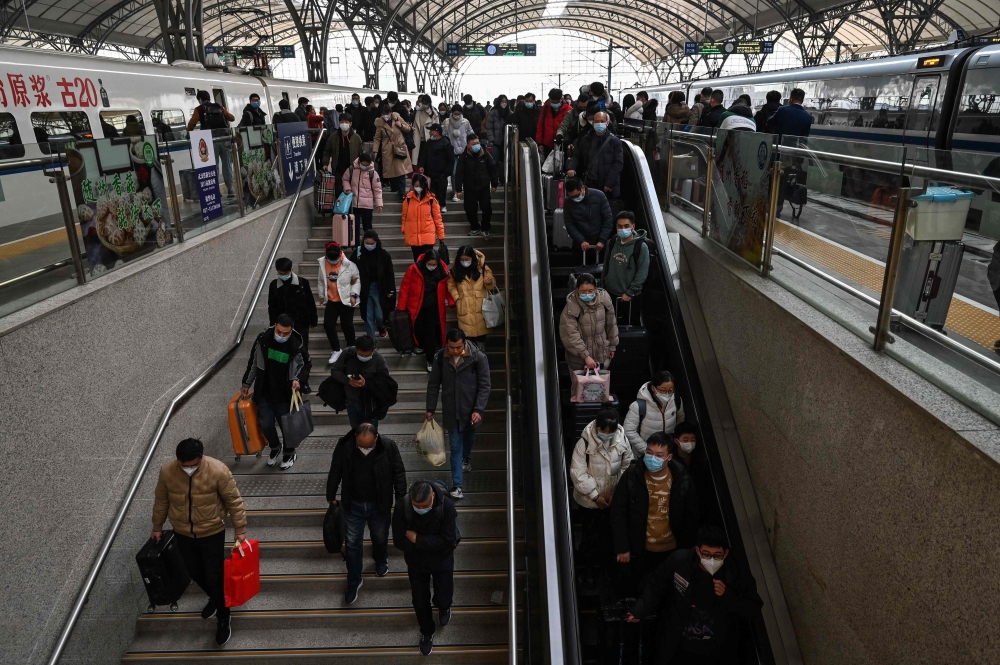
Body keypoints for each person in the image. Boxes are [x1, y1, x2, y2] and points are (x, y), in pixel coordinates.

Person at [151, 438, 247, 646]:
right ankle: (215, 597)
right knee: (194, 572)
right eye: (183, 466)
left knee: (214, 575)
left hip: (212, 530)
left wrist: (240, 529)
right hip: (183, 531)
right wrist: (157, 527)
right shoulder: (167, 472)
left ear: (201, 458)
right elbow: (161, 501)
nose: (188, 469)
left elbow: (234, 501)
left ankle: (223, 616)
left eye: (193, 465)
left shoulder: (218, 470)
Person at [626, 525, 763, 664]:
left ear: (726, 553)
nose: (711, 559)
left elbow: (753, 609)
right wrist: (639, 610)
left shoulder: (735, 573)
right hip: (678, 646)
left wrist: (728, 596)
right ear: (698, 550)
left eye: (717, 555)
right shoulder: (680, 561)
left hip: (716, 650)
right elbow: (656, 585)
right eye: (706, 553)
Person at [612, 432, 701, 596]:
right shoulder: (633, 475)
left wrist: (687, 551)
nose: (652, 458)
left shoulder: (682, 479)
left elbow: (692, 516)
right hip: (639, 547)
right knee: (637, 588)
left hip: (671, 549)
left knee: (665, 590)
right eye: (649, 452)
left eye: (659, 455)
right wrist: (622, 547)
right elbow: (618, 511)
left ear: (669, 457)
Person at [327, 422, 407, 604]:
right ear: (356, 438)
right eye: (362, 446)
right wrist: (330, 494)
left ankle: (380, 559)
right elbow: (335, 470)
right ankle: (354, 581)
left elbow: (399, 473)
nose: (365, 449)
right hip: (353, 504)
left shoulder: (388, 446)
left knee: (380, 536)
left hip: (379, 504)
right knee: (353, 543)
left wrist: (401, 499)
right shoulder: (344, 446)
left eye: (369, 446)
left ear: (376, 438)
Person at [392, 479, 458, 656]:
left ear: (433, 496)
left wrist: (417, 540)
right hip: (416, 563)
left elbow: (448, 541)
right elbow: (398, 540)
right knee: (420, 601)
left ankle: (444, 607)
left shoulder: (447, 507)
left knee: (444, 596)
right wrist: (427, 544)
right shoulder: (402, 507)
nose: (420, 509)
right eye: (416, 506)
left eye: (425, 505)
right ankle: (427, 632)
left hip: (442, 561)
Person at [425, 328, 491, 499]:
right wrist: (430, 408)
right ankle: (457, 485)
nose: (455, 351)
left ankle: (466, 458)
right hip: (451, 410)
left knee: (468, 440)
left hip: (470, 411)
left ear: (464, 343)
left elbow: (485, 386)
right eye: (451, 347)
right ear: (446, 344)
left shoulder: (478, 358)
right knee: (455, 446)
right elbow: (433, 385)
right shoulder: (440, 358)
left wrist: (478, 409)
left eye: (458, 347)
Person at [570, 408, 633, 586]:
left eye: (609, 432)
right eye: (602, 431)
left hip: (612, 500)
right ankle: (587, 570)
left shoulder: (622, 440)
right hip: (589, 503)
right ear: (597, 427)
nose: (606, 435)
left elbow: (627, 466)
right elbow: (577, 473)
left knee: (607, 536)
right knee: (589, 537)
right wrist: (595, 496)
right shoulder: (584, 442)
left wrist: (616, 493)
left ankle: (604, 572)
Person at [241, 314, 307, 469]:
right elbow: (254, 362)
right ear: (275, 325)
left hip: (285, 393)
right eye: (279, 332)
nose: (282, 336)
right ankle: (275, 447)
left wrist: (298, 379)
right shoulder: (263, 340)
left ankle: (289, 452)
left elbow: (305, 365)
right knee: (266, 424)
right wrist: (246, 382)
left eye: (286, 333)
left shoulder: (296, 345)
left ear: (291, 331)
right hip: (264, 390)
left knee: (287, 426)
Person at [267, 257, 318, 393]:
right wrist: (273, 326)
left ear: (292, 270)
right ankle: (287, 382)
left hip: (301, 324)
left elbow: (310, 302)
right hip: (283, 327)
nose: (283, 276)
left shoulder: (302, 283)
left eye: (285, 273)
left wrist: (314, 320)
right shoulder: (274, 285)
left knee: (302, 353)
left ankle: (303, 382)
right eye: (280, 273)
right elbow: (271, 307)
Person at [398, 248, 453, 368]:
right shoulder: (414, 269)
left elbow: (448, 288)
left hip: (434, 306)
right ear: (425, 261)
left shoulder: (443, 271)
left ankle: (430, 359)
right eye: (430, 264)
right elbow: (405, 288)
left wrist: (451, 301)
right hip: (416, 306)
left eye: (434, 264)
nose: (432, 266)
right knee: (418, 328)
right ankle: (421, 346)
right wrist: (401, 307)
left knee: (430, 332)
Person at [329, 335, 392, 429]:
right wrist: (348, 381)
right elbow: (335, 370)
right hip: (351, 401)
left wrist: (366, 383)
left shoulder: (378, 360)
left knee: (370, 431)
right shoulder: (348, 353)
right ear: (356, 349)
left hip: (371, 403)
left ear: (373, 349)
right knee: (355, 430)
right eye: (361, 355)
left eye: (367, 355)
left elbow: (384, 381)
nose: (364, 357)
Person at [559, 273, 618, 372]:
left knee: (600, 386)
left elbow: (611, 324)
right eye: (583, 291)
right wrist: (585, 356)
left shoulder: (604, 300)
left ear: (595, 289)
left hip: (601, 355)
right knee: (580, 387)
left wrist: (612, 345)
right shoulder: (571, 307)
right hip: (579, 361)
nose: (587, 294)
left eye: (590, 291)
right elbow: (570, 334)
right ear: (577, 290)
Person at [601, 211, 650, 325]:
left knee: (629, 327)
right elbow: (606, 265)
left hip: (629, 297)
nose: (623, 229)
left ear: (633, 226)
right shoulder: (612, 242)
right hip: (610, 294)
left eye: (626, 226)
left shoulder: (641, 247)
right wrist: (603, 286)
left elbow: (642, 273)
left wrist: (629, 293)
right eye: (620, 226)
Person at [317, 242, 360, 364]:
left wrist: (353, 295)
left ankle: (352, 348)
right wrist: (321, 296)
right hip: (332, 300)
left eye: (335, 259)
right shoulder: (322, 264)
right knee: (328, 324)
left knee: (347, 325)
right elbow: (321, 281)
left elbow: (356, 281)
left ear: (340, 254)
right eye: (331, 259)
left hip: (346, 300)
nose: (333, 261)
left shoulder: (349, 265)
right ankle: (336, 350)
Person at [623, 370, 685, 457]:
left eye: (670, 390)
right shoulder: (638, 406)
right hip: (644, 454)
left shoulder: (676, 400)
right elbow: (629, 430)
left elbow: (680, 421)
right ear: (653, 388)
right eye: (663, 390)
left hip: (667, 452)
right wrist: (648, 451)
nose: (667, 394)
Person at [187, 90, 236, 200]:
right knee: (227, 166)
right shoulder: (219, 106)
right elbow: (232, 118)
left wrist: (188, 132)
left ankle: (216, 191)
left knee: (214, 167)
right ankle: (231, 189)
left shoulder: (199, 109)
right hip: (224, 140)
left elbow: (191, 124)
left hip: (210, 141)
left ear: (200, 99)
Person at [566, 111, 624, 202]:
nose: (599, 124)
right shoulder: (586, 139)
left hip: (607, 187)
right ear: (592, 123)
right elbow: (577, 156)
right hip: (590, 184)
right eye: (597, 121)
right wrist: (571, 167)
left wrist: (609, 183)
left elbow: (618, 163)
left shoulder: (614, 141)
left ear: (607, 123)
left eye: (602, 121)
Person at [447, 245, 496, 348]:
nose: (464, 261)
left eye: (467, 259)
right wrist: (457, 297)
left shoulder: (482, 268)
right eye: (462, 259)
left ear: (472, 258)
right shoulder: (455, 271)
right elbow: (451, 285)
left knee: (481, 340)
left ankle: (481, 360)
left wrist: (489, 282)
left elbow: (491, 284)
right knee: (467, 340)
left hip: (481, 307)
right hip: (465, 307)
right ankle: (471, 361)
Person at [454, 134, 499, 238]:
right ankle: (475, 227)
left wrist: (494, 183)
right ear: (468, 145)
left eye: (478, 143)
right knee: (470, 209)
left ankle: (485, 228)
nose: (477, 145)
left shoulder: (485, 154)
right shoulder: (463, 157)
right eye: (474, 144)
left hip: (484, 187)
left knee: (487, 208)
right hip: (469, 188)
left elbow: (492, 169)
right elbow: (459, 173)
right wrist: (458, 189)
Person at [355, 230, 395, 339]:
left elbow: (389, 273)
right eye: (367, 243)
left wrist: (391, 289)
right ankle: (371, 341)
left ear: (376, 242)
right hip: (364, 289)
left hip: (379, 288)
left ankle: (382, 327)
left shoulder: (384, 255)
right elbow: (350, 268)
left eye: (372, 244)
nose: (369, 246)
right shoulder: (358, 254)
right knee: (368, 317)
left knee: (380, 315)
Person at [401, 173, 446, 262]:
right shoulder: (408, 199)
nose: (418, 187)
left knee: (427, 261)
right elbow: (404, 216)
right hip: (413, 236)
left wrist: (441, 235)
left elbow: (437, 218)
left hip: (428, 236)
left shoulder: (431, 199)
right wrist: (404, 229)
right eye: (416, 185)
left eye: (420, 185)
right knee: (417, 262)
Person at [562, 176, 613, 253]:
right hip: (580, 245)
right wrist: (581, 240)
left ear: (582, 188)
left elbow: (608, 219)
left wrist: (602, 240)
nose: (575, 199)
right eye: (571, 197)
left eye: (576, 195)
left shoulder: (599, 196)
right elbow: (569, 224)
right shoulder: (568, 201)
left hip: (600, 245)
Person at [374, 102, 413, 199]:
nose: (385, 116)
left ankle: (402, 192)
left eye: (387, 113)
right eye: (383, 114)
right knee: (391, 169)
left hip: (399, 146)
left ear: (391, 112)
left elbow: (408, 129)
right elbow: (377, 138)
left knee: (401, 170)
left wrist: (401, 126)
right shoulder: (380, 123)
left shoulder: (397, 117)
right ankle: (394, 187)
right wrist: (375, 150)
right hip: (387, 148)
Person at [342, 151, 383, 241]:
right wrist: (348, 189)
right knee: (354, 227)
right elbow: (345, 179)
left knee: (367, 227)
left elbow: (377, 189)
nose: (365, 166)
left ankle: (369, 243)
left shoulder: (373, 173)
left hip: (367, 205)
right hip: (354, 203)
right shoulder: (351, 169)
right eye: (363, 164)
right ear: (359, 162)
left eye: (367, 165)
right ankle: (356, 246)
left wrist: (379, 203)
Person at [416, 124, 455, 213]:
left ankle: (442, 205)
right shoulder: (429, 143)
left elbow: (450, 161)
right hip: (429, 173)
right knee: (430, 192)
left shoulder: (446, 144)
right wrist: (421, 166)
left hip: (442, 173)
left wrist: (446, 173)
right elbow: (424, 155)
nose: (429, 132)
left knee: (441, 191)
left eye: (431, 131)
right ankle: (431, 206)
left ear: (437, 132)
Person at [323, 112, 363, 196]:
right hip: (338, 168)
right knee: (339, 190)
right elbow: (327, 151)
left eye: (346, 122)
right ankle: (339, 208)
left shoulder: (356, 138)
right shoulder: (334, 137)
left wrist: (361, 165)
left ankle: (351, 208)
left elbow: (361, 152)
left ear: (350, 123)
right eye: (341, 122)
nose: (344, 124)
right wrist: (325, 163)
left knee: (352, 190)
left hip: (352, 168)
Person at [442, 106, 473, 200]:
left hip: (464, 151)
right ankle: (455, 192)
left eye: (459, 114)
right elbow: (443, 135)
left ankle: (465, 191)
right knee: (454, 173)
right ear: (452, 113)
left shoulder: (466, 122)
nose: (457, 115)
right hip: (452, 151)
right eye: (455, 114)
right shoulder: (447, 122)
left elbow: (470, 133)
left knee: (467, 172)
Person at [536, 88, 570, 154]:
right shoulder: (545, 108)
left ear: (561, 99)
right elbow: (540, 125)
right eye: (552, 102)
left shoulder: (568, 109)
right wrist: (539, 143)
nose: (554, 104)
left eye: (556, 102)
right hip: (547, 144)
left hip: (562, 144)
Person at [485, 95, 511, 182]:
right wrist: (491, 139)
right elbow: (488, 127)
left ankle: (503, 179)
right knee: (495, 161)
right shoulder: (493, 113)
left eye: (505, 101)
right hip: (495, 142)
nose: (504, 103)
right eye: (502, 101)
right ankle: (494, 179)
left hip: (506, 141)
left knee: (506, 161)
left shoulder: (509, 113)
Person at [411, 94, 435, 166]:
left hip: (429, 139)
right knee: (419, 158)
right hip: (418, 139)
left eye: (425, 103)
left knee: (428, 159)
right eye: (423, 103)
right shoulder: (418, 111)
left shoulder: (434, 113)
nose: (424, 105)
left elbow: (437, 127)